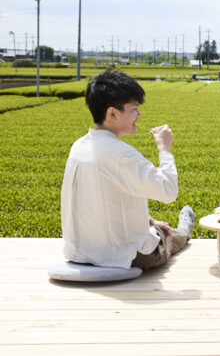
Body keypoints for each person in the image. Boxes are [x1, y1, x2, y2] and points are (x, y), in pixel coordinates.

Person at [61, 69, 194, 270]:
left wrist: (148, 220)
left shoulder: (78, 146)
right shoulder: (120, 154)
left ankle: (162, 228)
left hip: (79, 252)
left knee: (156, 227)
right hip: (123, 255)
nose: (139, 115)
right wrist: (164, 149)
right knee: (166, 236)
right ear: (112, 113)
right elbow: (169, 191)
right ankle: (184, 229)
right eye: (134, 109)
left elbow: (104, 198)